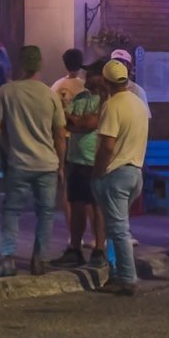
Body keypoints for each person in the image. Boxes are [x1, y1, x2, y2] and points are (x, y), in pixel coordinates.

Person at [0, 45, 67, 277]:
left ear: (20, 65)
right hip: (47, 164)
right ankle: (38, 259)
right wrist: (61, 165)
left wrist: (7, 146)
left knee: (12, 211)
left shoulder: (7, 91)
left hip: (19, 163)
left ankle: (8, 260)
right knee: (45, 213)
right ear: (40, 65)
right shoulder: (50, 95)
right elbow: (60, 135)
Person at [92, 58, 150, 295]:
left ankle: (127, 277)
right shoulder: (138, 104)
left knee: (118, 229)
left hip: (116, 172)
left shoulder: (113, 106)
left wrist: (98, 170)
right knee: (117, 227)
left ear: (106, 82)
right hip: (135, 170)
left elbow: (107, 144)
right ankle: (115, 273)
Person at [59, 60, 108, 268]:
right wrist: (77, 121)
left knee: (97, 207)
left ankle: (99, 249)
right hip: (75, 159)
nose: (87, 78)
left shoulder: (106, 101)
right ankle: (74, 249)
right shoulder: (80, 97)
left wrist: (76, 121)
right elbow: (64, 122)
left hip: (93, 160)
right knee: (77, 205)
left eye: (93, 74)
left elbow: (89, 124)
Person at [109, 49, 152, 118]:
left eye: (121, 63)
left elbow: (146, 117)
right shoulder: (105, 87)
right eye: (114, 62)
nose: (117, 66)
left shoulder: (137, 91)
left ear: (128, 67)